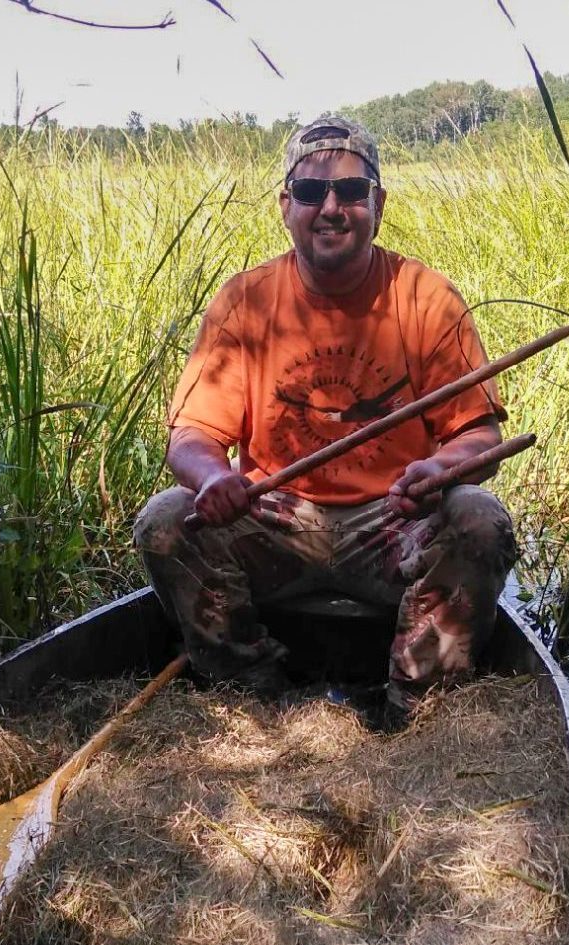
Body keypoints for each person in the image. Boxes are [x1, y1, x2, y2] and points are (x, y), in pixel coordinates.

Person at [133, 114, 518, 712]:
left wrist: (442, 470)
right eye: (312, 193)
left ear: (378, 202)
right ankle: (253, 693)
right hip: (277, 521)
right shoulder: (245, 301)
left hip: (393, 524)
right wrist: (213, 479)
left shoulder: (425, 298)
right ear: (287, 206)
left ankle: (413, 707)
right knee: (164, 521)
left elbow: (479, 434)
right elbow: (190, 436)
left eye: (350, 190)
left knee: (480, 518)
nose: (331, 207)